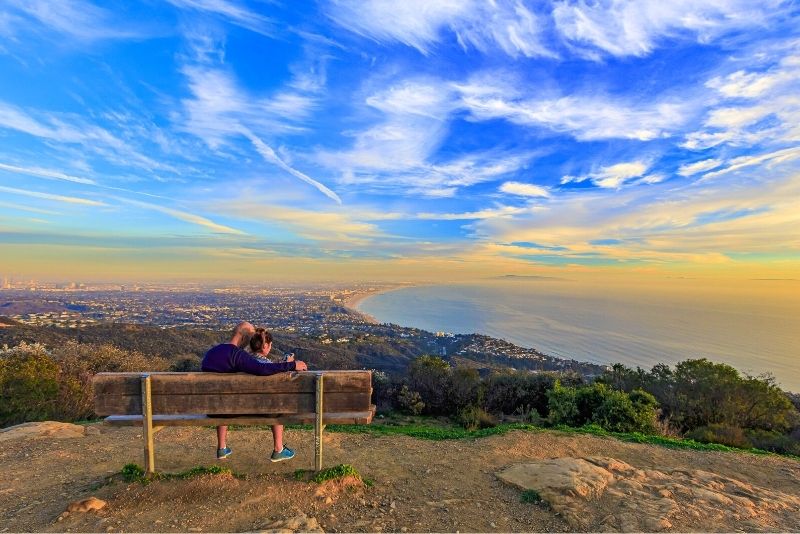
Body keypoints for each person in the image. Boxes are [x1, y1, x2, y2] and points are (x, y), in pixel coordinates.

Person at [201, 321, 308, 462]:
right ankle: (278, 448)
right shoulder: (237, 355)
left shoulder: (211, 353)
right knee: (274, 403)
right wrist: (293, 364)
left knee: (221, 397)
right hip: (241, 407)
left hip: (214, 409)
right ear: (244, 338)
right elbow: (262, 369)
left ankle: (221, 448)